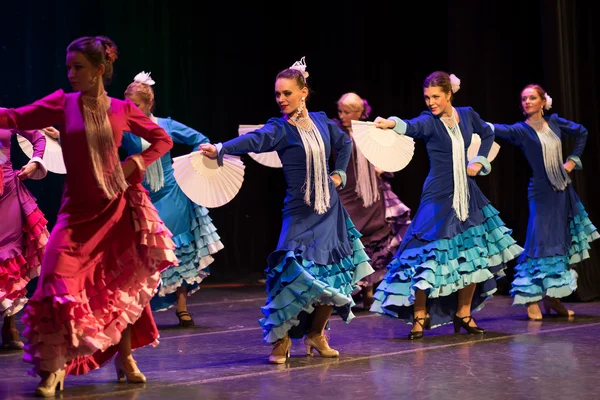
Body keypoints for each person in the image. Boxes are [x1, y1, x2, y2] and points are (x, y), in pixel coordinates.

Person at [0, 35, 176, 397]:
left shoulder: (121, 109)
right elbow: (15, 116)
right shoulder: (62, 104)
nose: (71, 74)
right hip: (76, 215)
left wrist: (135, 162)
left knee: (120, 284)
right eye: (68, 67)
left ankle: (124, 357)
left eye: (78, 68)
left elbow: (163, 139)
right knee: (55, 283)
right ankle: (54, 368)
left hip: (116, 209)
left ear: (99, 70)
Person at [200, 57, 373, 363]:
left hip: (329, 210)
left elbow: (344, 145)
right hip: (299, 211)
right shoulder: (279, 128)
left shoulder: (321, 120)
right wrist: (222, 148)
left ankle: (317, 334)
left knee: (331, 275)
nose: (281, 99)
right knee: (288, 274)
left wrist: (341, 173)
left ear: (303, 92)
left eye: (287, 93)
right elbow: (253, 140)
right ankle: (281, 340)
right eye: (277, 94)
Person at [371, 71, 523, 339]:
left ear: (449, 94)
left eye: (436, 97)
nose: (431, 102)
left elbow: (487, 134)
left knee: (474, 255)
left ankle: (463, 313)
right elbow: (412, 125)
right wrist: (392, 123)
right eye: (427, 97)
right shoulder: (429, 121)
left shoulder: (467, 114)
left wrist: (479, 161)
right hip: (438, 194)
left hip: (467, 193)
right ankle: (420, 315)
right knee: (425, 255)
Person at [486, 84, 598, 320]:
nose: (527, 102)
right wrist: (470, 121)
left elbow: (583, 132)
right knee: (539, 240)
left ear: (542, 101)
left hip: (562, 190)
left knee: (557, 242)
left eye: (532, 98)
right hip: (540, 193)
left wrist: (573, 160)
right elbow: (494, 129)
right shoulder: (520, 130)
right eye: (524, 98)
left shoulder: (555, 122)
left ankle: (552, 297)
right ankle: (531, 298)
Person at [122, 72, 224, 325]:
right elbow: (99, 140)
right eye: (126, 105)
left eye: (135, 105)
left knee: (177, 247)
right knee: (143, 252)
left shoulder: (165, 125)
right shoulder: (124, 129)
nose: (129, 110)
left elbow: (199, 140)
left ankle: (181, 304)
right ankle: (142, 307)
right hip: (142, 196)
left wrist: (187, 168)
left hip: (171, 194)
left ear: (147, 105)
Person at [334, 92, 411, 310]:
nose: (342, 115)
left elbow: (387, 153)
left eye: (347, 111)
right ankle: (344, 294)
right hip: (346, 193)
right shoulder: (336, 131)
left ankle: (369, 293)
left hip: (370, 195)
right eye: (340, 110)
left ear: (361, 112)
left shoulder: (370, 131)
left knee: (370, 242)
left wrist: (381, 167)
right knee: (349, 242)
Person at [0, 128, 49, 350]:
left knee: (11, 255)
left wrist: (35, 161)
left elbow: (37, 136)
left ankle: (9, 325)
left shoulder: (5, 117)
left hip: (8, 193)